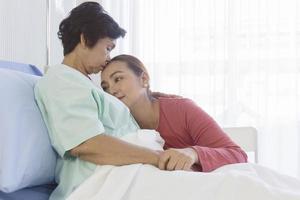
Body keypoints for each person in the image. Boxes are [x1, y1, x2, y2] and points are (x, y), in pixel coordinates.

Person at [34, 2, 164, 200]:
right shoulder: (62, 80)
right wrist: (156, 158)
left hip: (127, 173)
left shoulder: (84, 83)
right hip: (100, 184)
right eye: (108, 48)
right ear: (85, 39)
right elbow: (87, 144)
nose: (108, 58)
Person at [100, 54, 248, 172]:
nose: (111, 90)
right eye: (105, 87)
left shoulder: (182, 109)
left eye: (118, 79)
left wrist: (193, 153)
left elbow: (237, 155)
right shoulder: (116, 126)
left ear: (144, 79)